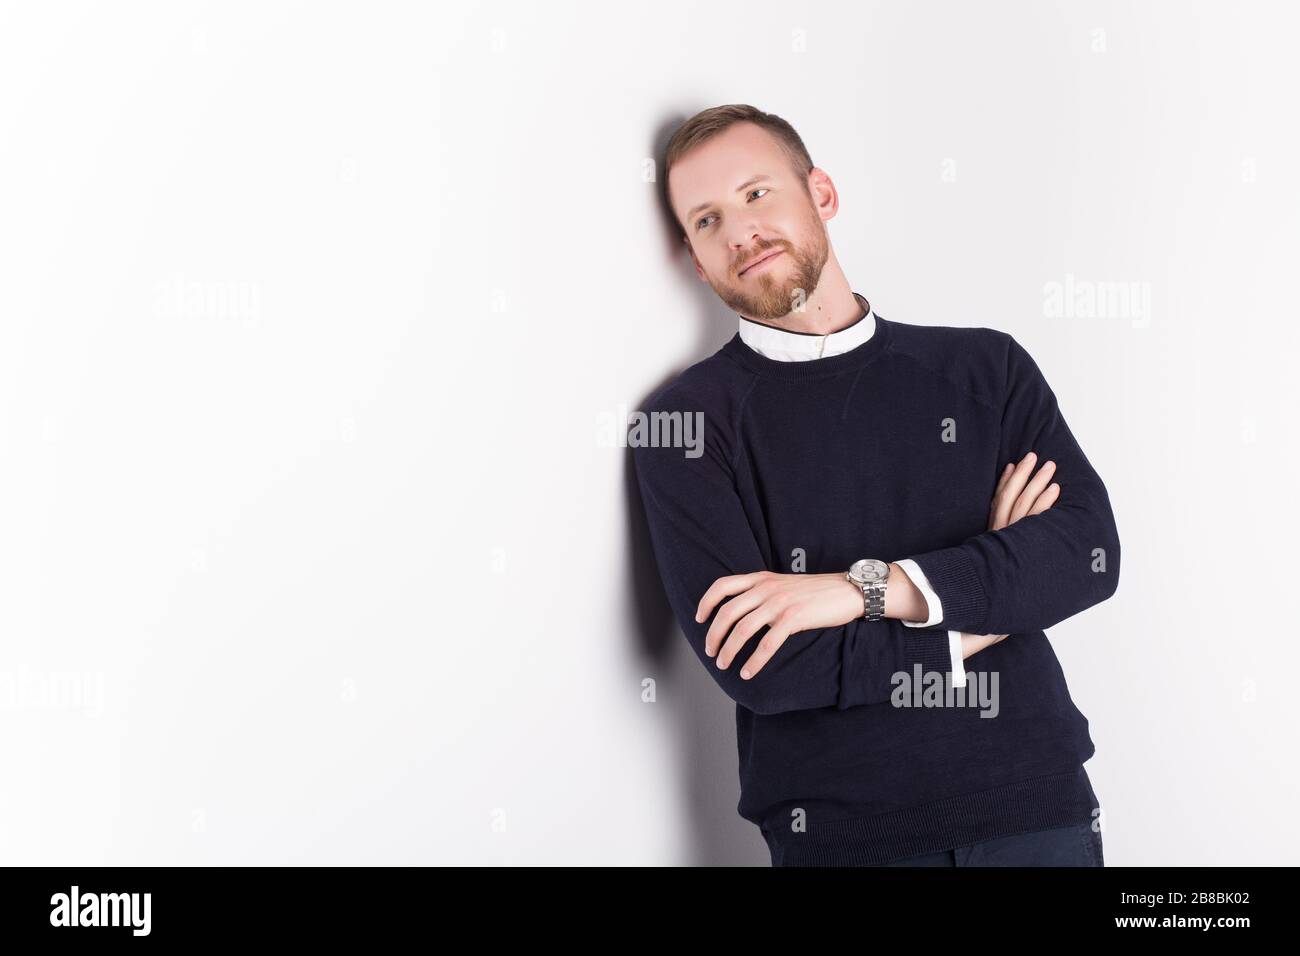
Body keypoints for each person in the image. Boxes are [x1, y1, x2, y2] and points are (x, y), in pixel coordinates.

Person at [632, 104, 1119, 866]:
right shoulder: (685, 426)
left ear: (821, 193)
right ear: (695, 259)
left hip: (1038, 815)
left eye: (757, 193)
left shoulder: (984, 369)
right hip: (844, 841)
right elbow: (764, 665)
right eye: (706, 219)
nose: (739, 233)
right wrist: (990, 600)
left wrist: (861, 590)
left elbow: (1084, 555)